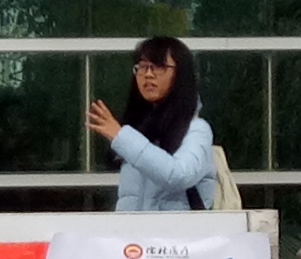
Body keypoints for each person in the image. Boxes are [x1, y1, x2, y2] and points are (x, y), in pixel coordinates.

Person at [86, 35, 216, 212]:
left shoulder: (197, 129)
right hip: (134, 230)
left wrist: (121, 137)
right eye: (142, 67)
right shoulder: (138, 130)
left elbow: (178, 176)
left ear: (180, 74)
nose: (148, 74)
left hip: (178, 230)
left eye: (159, 66)